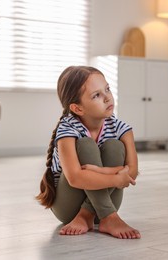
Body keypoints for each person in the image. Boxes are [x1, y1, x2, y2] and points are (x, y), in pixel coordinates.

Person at [36, 66, 141, 239]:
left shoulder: (121, 128)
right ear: (77, 108)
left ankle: (100, 216)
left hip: (108, 201)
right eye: (96, 95)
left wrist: (100, 171)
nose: (107, 97)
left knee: (115, 146)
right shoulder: (67, 129)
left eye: (107, 89)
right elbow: (75, 177)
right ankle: (101, 216)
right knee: (85, 145)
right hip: (69, 208)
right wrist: (115, 177)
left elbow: (132, 171)